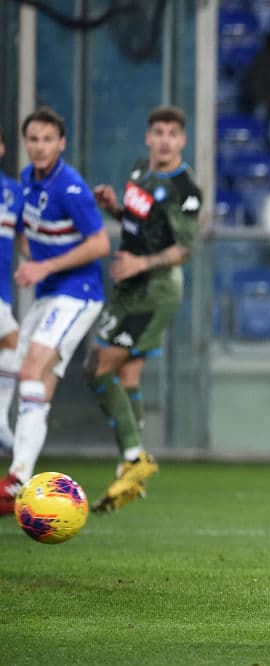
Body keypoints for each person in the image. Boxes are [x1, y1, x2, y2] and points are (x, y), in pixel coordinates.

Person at [85, 106, 202, 512]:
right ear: (148, 138)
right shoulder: (139, 171)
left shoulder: (186, 189)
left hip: (154, 290)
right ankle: (129, 467)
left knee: (96, 366)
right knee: (128, 372)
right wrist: (114, 208)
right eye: (159, 132)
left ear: (182, 141)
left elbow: (184, 249)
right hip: (131, 284)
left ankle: (135, 458)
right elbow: (144, 226)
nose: (166, 139)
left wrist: (140, 263)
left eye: (173, 133)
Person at [0, 107, 110, 514]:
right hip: (50, 293)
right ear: (25, 143)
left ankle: (18, 477)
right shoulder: (28, 180)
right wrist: (31, 259)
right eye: (33, 139)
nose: (40, 146)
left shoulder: (71, 187)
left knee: (30, 368)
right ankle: (21, 479)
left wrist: (44, 265)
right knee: (37, 383)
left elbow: (100, 244)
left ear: (61, 143)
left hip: (77, 293)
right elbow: (31, 235)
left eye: (48, 139)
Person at [0, 127, 23, 454]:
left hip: (3, 289)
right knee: (13, 341)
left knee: (12, 344)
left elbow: (27, 243)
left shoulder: (13, 193)